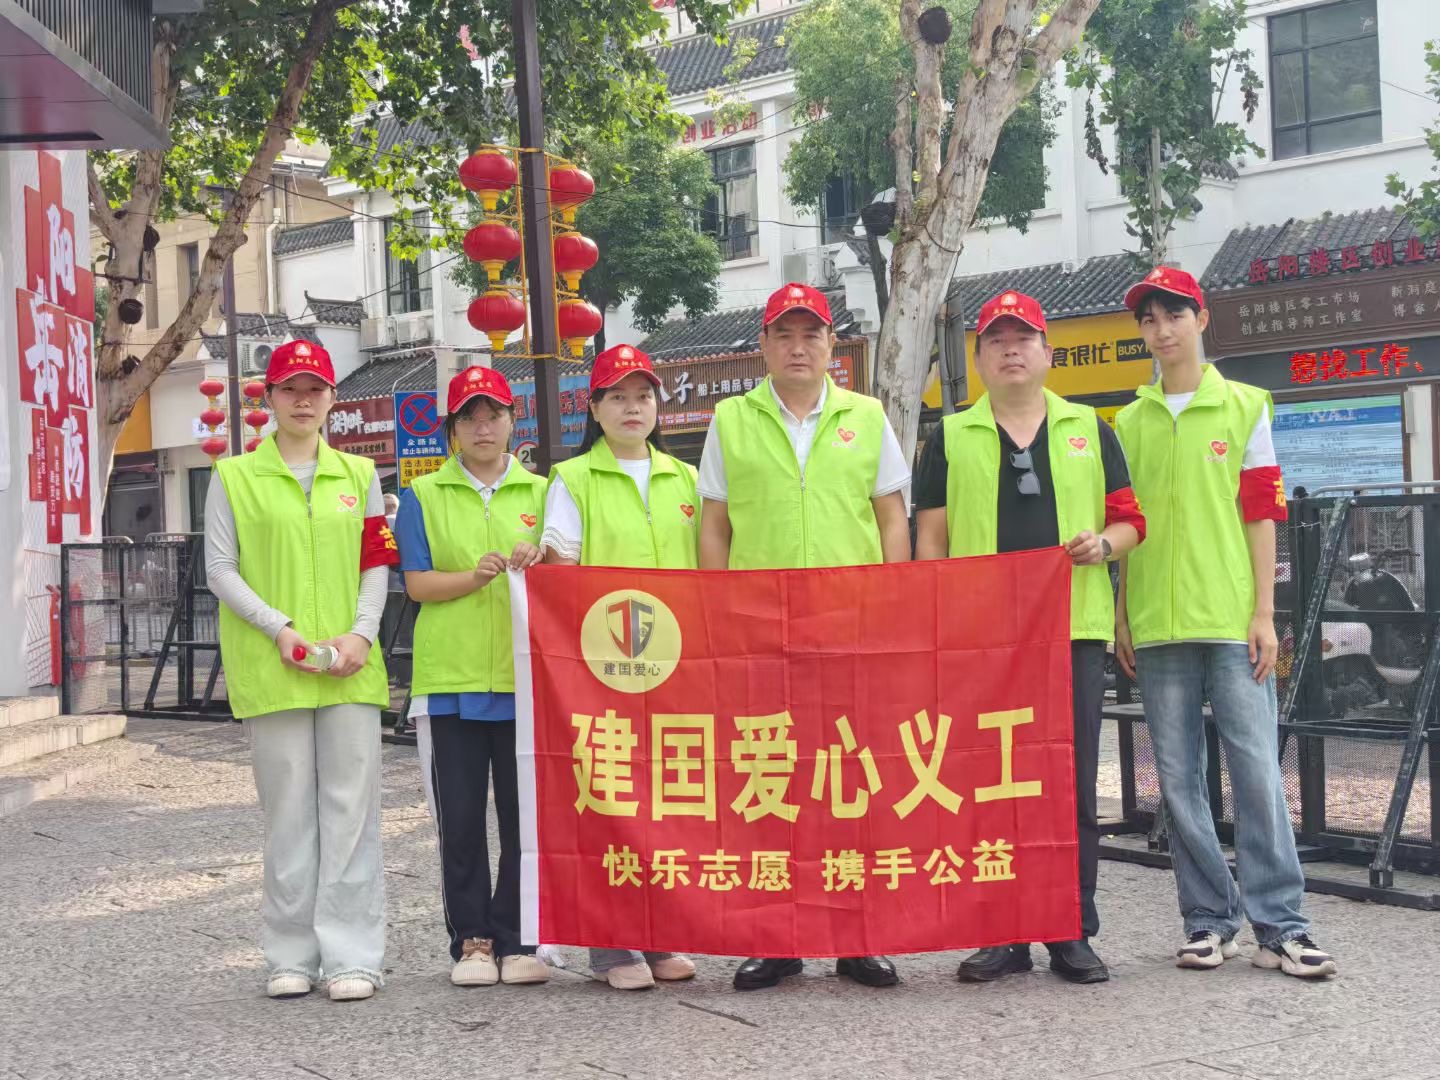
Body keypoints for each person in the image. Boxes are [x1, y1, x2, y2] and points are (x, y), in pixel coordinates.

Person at [913, 290, 1145, 985]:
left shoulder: (1090, 428)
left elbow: (1131, 521)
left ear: (1048, 353)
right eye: (996, 340)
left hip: (1071, 632)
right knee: (988, 784)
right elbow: (931, 540)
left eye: (1023, 339)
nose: (1010, 350)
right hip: (981, 641)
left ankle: (1071, 928)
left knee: (1070, 785)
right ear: (979, 357)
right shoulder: (950, 436)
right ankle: (1001, 933)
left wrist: (1104, 545)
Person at [1114, 266, 1337, 979]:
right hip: (1157, 625)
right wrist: (1122, 616)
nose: (1162, 331)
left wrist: (1266, 614)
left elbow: (1263, 512)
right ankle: (1208, 921)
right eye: (1150, 320)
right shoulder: (1128, 422)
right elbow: (1125, 524)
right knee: (1178, 781)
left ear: (1201, 319)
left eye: (1174, 315)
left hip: (1233, 620)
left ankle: (1283, 925)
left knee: (1257, 771)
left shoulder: (1244, 406)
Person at [698, 282, 912, 990]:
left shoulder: (867, 416)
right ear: (762, 344)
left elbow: (891, 517)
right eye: (784, 335)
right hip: (760, 631)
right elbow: (715, 526)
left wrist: (893, 603)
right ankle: (776, 938)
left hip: (851, 626)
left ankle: (856, 937)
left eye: (811, 334)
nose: (798, 347)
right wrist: (717, 612)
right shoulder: (731, 419)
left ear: (831, 345)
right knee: (771, 781)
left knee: (850, 780)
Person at [205, 340, 397, 1002]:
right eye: (290, 388)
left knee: (351, 813)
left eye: (315, 388)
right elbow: (220, 569)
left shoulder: (360, 476)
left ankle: (353, 957)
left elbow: (376, 563)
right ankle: (290, 955)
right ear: (269, 398)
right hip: (275, 666)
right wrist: (278, 628)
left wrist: (361, 635)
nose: (304, 400)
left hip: (350, 667)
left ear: (333, 398)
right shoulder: (235, 477)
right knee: (287, 813)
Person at [540, 343, 701, 990]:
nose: (633, 408)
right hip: (606, 667)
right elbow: (561, 575)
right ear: (595, 409)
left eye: (643, 396)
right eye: (617, 397)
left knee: (669, 801)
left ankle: (662, 936)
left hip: (679, 667)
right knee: (610, 801)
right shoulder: (573, 479)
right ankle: (612, 946)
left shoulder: (685, 480)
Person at [394, 366, 550, 989]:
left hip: (525, 681)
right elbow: (417, 584)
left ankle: (518, 938)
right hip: (450, 683)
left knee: (523, 819)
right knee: (458, 820)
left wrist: (540, 560)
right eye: (469, 417)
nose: (483, 427)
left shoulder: (544, 493)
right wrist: (474, 577)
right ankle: (472, 940)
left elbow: (564, 572)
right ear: (452, 430)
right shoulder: (423, 496)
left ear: (513, 421)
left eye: (494, 415)